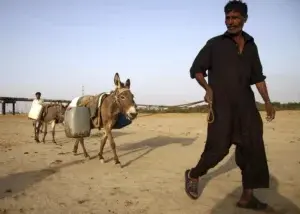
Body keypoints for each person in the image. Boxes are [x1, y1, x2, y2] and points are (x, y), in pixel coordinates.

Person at [184, 0, 276, 211]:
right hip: (221, 106)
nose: (230, 22)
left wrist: (268, 101)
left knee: (253, 149)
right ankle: (193, 174)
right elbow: (197, 69)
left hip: (246, 107)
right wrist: (207, 88)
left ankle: (247, 197)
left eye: (235, 17)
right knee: (217, 149)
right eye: (227, 17)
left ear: (244, 19)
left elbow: (258, 77)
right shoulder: (215, 44)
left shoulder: (252, 46)